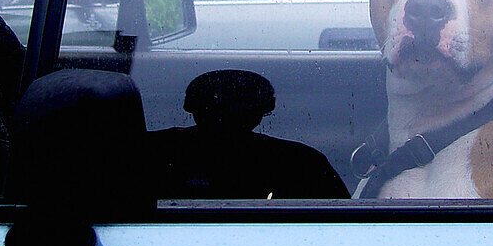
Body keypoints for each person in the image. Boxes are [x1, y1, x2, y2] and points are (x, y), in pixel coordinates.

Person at [150, 69, 349, 199]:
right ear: (264, 111)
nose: (224, 121)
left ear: (190, 107)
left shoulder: (150, 154)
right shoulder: (301, 164)